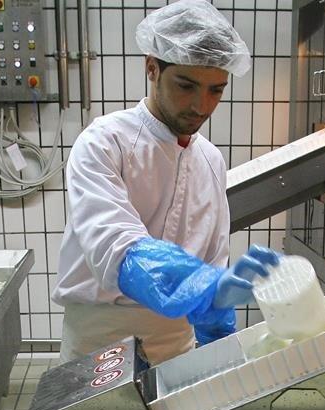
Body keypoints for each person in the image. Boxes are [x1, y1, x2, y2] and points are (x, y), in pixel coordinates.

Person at [51, 0, 279, 365]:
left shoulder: (211, 160)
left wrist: (218, 332)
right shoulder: (104, 142)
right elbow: (115, 245)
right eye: (186, 86)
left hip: (175, 343)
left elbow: (212, 261)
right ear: (152, 68)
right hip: (99, 342)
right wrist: (202, 286)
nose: (201, 106)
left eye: (216, 90)